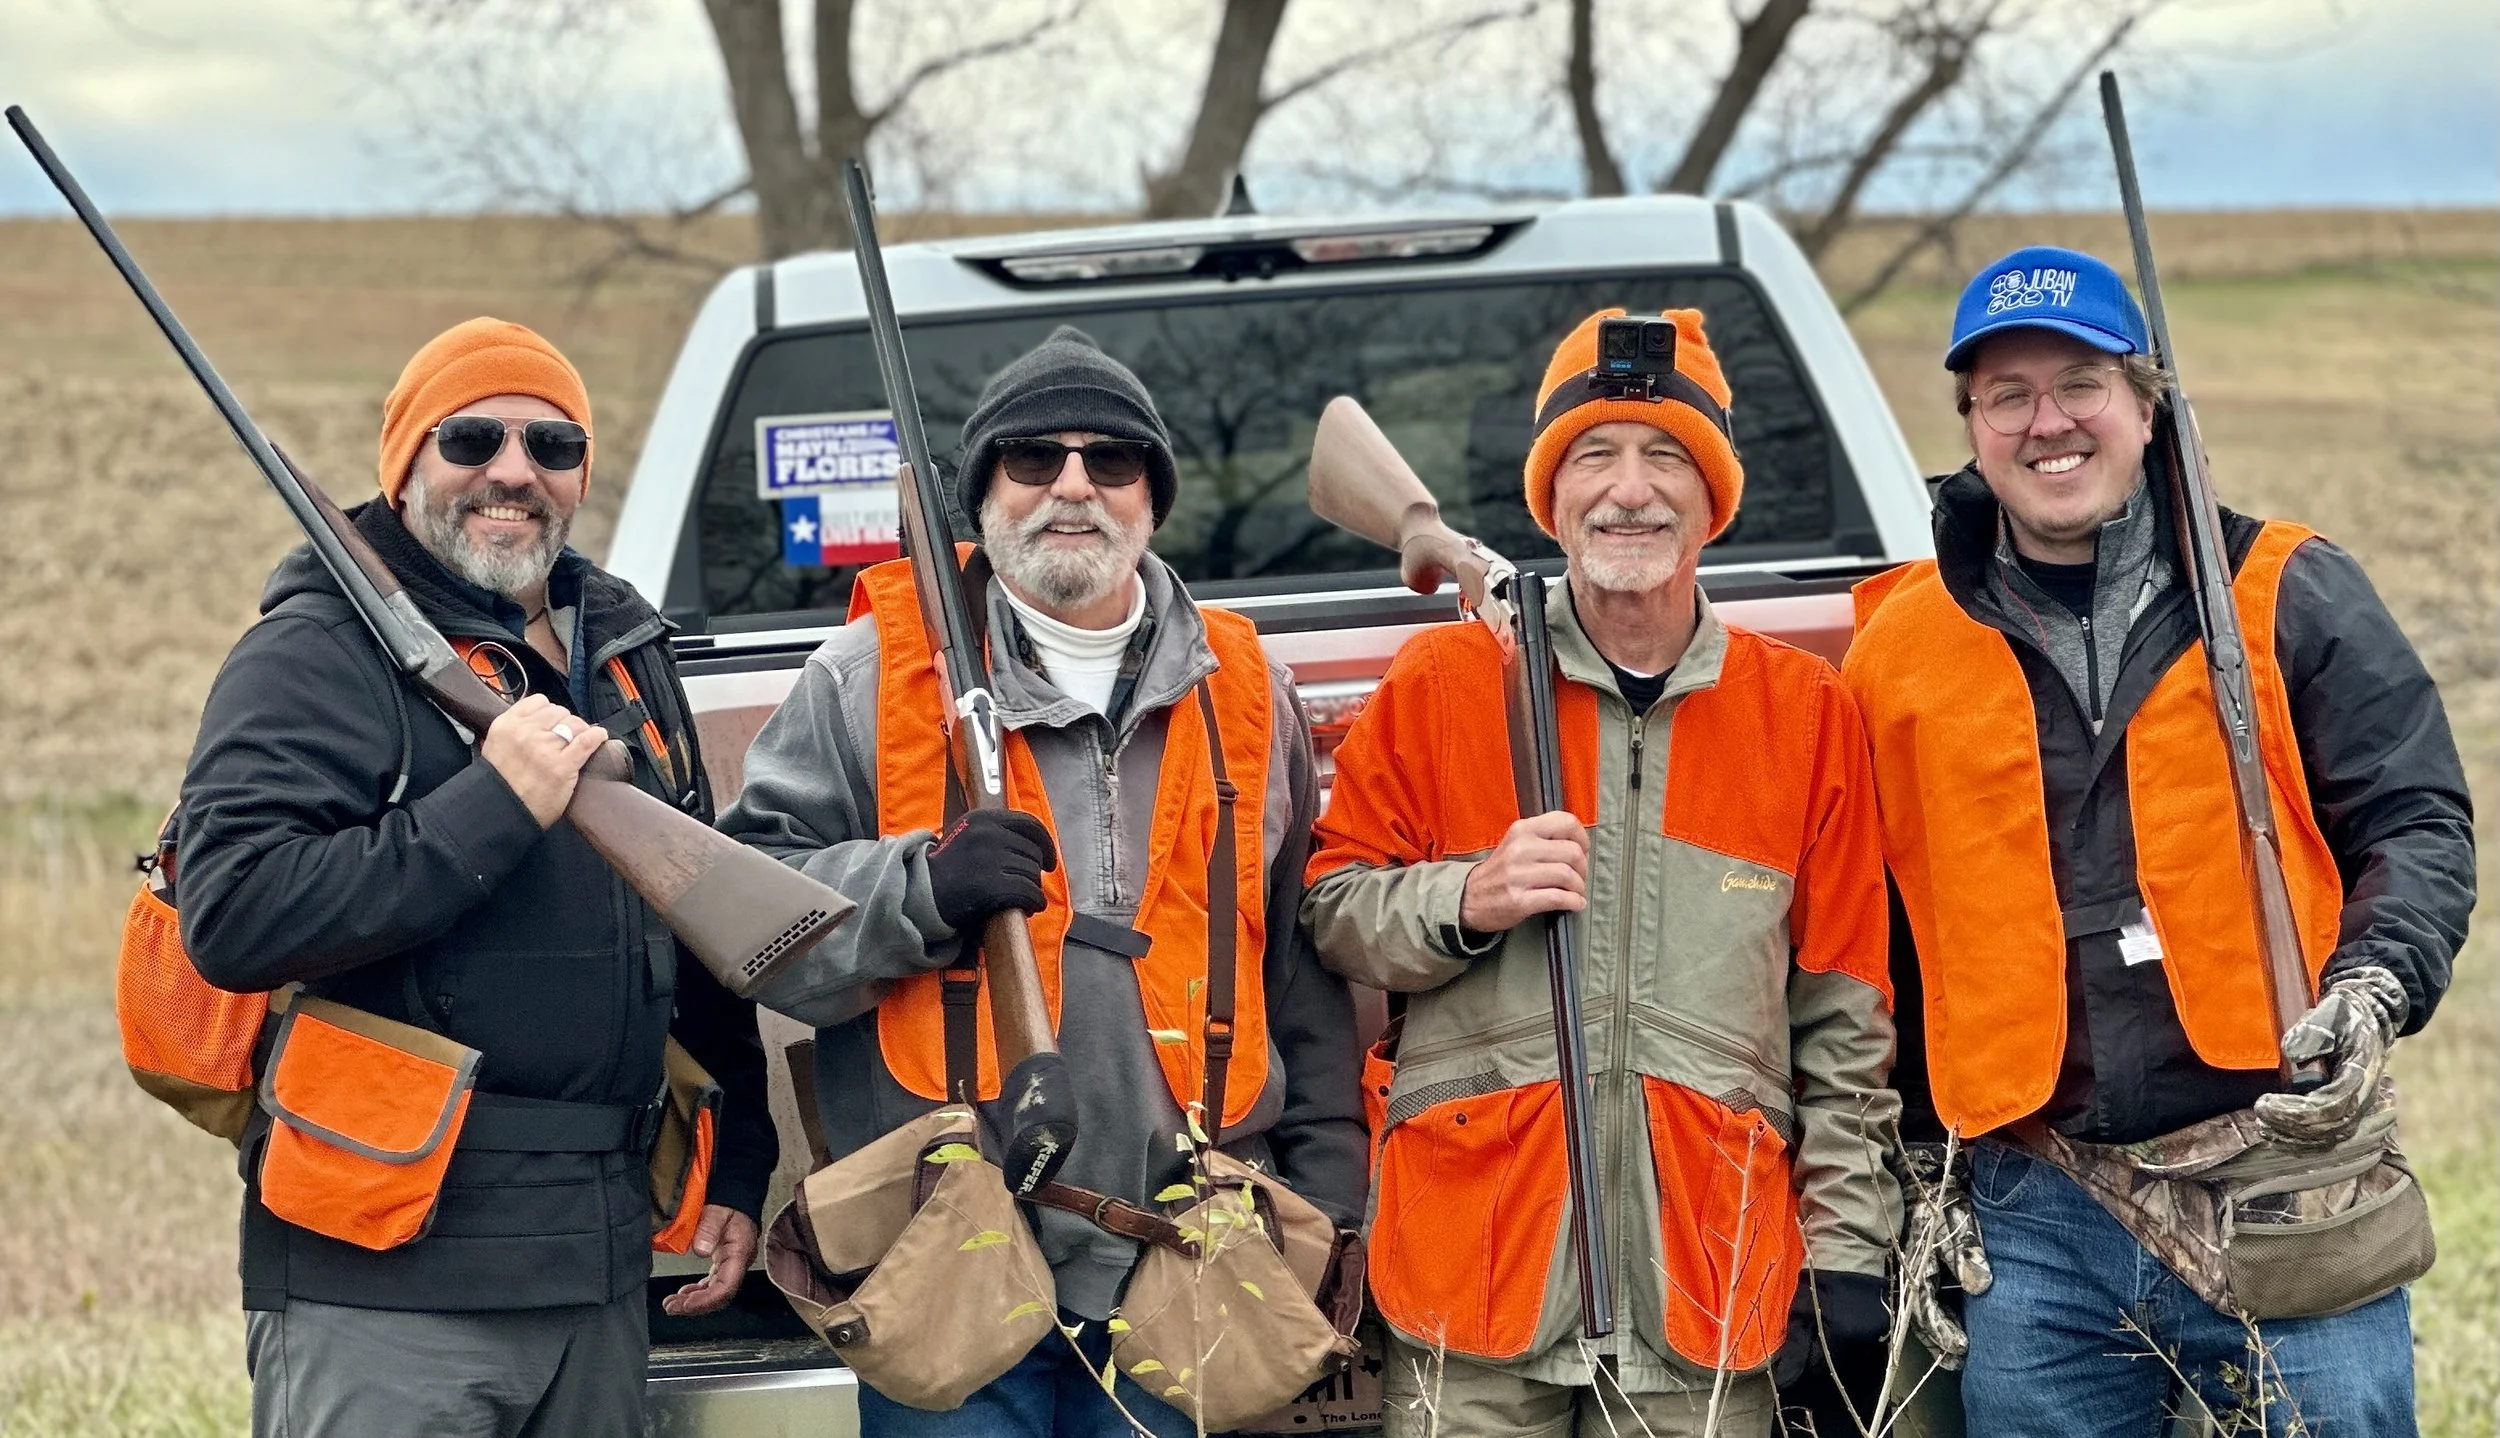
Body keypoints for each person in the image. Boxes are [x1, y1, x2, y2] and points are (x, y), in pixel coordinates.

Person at [1845, 247, 2475, 1436]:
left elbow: (2414, 818)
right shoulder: (1897, 649)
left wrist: (2375, 980)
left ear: (2146, 404)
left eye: (2079, 382)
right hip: (2037, 1206)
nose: (2047, 423)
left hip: (2283, 1173)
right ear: (1972, 426)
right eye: (2007, 395)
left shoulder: (2286, 589)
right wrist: (1911, 1154)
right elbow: (1880, 924)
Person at [719, 325, 1367, 1438]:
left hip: (1190, 1254)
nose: (1073, 485)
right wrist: (917, 891)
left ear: (1150, 500)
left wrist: (1331, 1196)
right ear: (982, 495)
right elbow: (748, 926)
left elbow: (1293, 967)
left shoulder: (1245, 689)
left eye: (1111, 461)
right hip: (944, 1256)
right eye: (1033, 459)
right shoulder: (867, 676)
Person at [1303, 309, 1901, 1438]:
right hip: (1471, 1275)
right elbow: (1332, 914)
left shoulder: (1802, 712)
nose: (1630, 490)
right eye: (1594, 455)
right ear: (1551, 496)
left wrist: (1848, 1253)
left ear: (1714, 497)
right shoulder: (1444, 680)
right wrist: (1463, 897)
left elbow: (1844, 1015)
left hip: (1709, 1284)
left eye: (1666, 455)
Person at [177, 318, 778, 1438]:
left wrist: (740, 1156)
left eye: (552, 446)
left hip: (597, 1270)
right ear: (403, 463)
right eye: (471, 436)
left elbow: (694, 911)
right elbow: (235, 913)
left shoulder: (626, 653)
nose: (513, 470)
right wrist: (491, 805)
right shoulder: (313, 653)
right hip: (386, 1280)